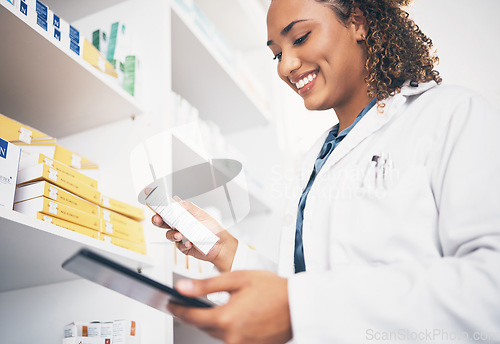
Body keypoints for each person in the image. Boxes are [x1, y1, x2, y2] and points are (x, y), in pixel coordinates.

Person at [153, 0, 500, 342]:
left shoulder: (451, 115)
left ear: (358, 22)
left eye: (300, 37)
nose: (286, 65)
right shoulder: (314, 160)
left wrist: (299, 309)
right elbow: (306, 287)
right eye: (276, 53)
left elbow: (489, 288)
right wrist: (222, 249)